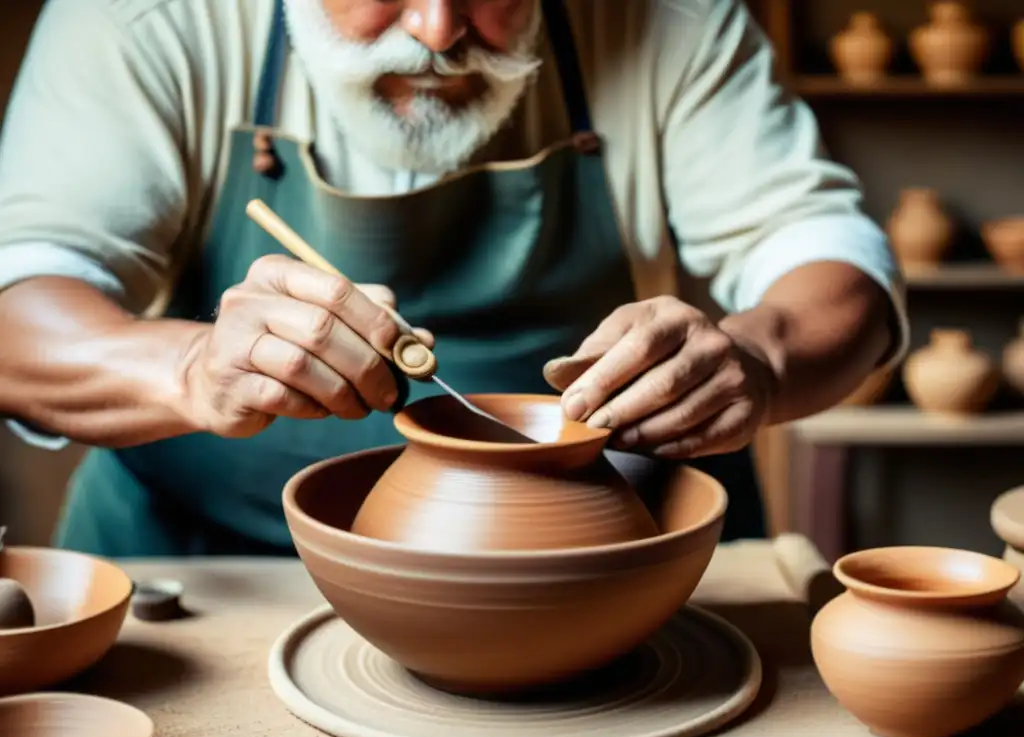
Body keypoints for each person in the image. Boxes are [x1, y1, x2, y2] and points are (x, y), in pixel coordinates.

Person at [0, 0, 907, 557]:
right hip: (207, 571)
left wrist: (759, 358)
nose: (437, 29)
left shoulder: (671, 18)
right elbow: (17, 312)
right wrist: (194, 370)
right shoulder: (140, 18)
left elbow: (832, 261)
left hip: (601, 567)